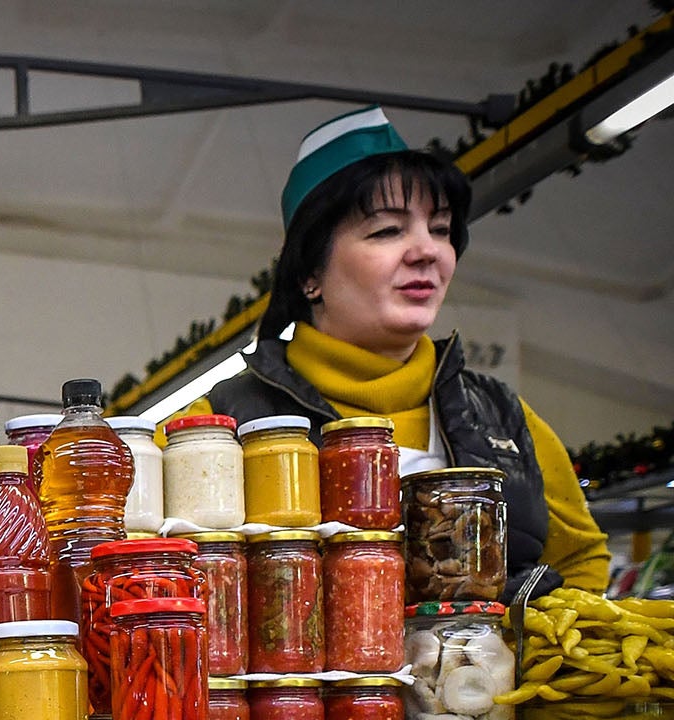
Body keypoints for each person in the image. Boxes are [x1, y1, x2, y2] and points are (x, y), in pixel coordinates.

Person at [204, 106, 607, 598]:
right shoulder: (217, 423)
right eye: (387, 231)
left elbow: (580, 559)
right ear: (310, 274)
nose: (427, 250)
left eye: (440, 229)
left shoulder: (502, 417)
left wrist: (536, 654)